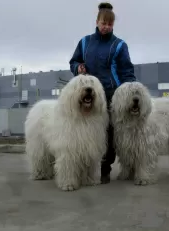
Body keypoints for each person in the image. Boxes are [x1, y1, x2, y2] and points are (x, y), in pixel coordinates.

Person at [69, 2, 136, 184]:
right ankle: (86, 168)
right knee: (88, 132)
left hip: (111, 94)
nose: (106, 27)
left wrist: (130, 91)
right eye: (103, 23)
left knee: (109, 132)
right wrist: (78, 67)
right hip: (89, 94)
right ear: (97, 21)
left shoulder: (120, 45)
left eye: (109, 24)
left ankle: (105, 169)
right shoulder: (84, 42)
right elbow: (73, 62)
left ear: (113, 25)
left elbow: (127, 72)